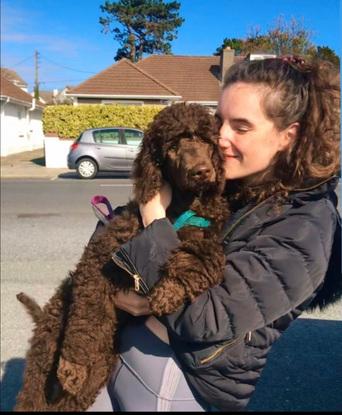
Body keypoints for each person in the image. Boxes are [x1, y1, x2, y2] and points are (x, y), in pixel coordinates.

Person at [88, 56, 341, 412]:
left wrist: (153, 217)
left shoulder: (304, 227)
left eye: (241, 126)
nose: (220, 136)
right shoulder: (229, 182)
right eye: (220, 120)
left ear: (289, 135)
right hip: (118, 349)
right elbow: (114, 245)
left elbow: (205, 318)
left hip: (176, 379)